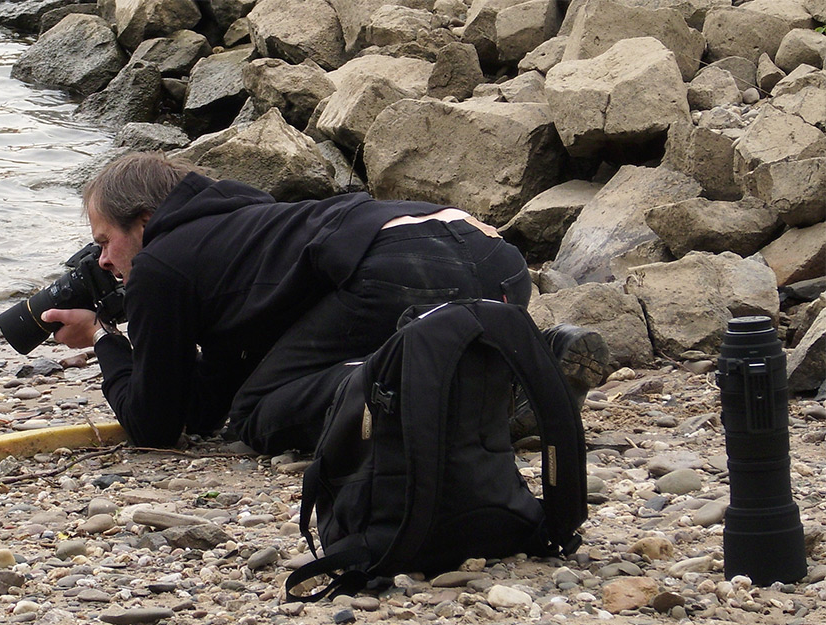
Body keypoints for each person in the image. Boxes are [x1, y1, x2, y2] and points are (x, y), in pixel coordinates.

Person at [43, 152, 607, 453]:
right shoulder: (244, 228)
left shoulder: (162, 265)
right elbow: (206, 399)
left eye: (103, 243)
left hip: (401, 263)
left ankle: (480, 398)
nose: (103, 264)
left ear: (144, 222)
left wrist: (103, 341)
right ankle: (529, 364)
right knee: (269, 393)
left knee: (260, 415)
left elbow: (156, 427)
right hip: (492, 255)